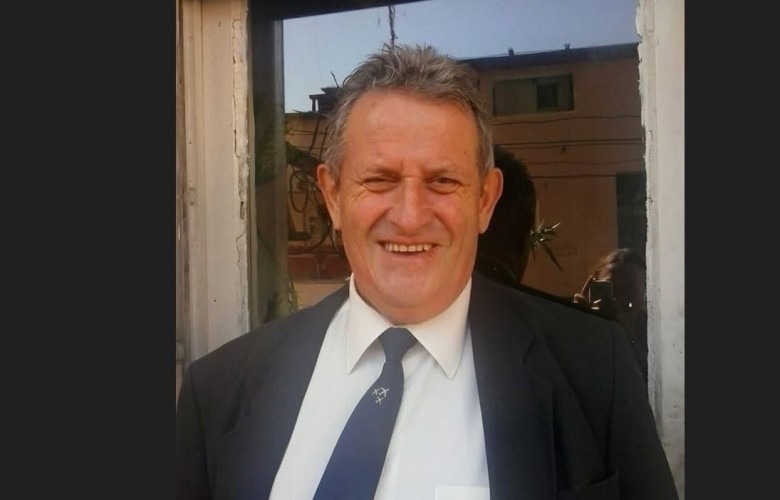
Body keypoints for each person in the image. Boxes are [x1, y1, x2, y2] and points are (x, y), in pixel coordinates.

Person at [176, 43, 678, 499]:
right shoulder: (220, 389)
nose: (410, 216)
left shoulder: (594, 371)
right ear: (332, 196)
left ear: (485, 200)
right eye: (379, 179)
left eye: (442, 181)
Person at [574, 248, 649, 382]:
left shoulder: (655, 330)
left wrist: (625, 332)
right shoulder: (589, 325)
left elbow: (653, 375)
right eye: (609, 288)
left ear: (644, 291)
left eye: (629, 289)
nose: (618, 298)